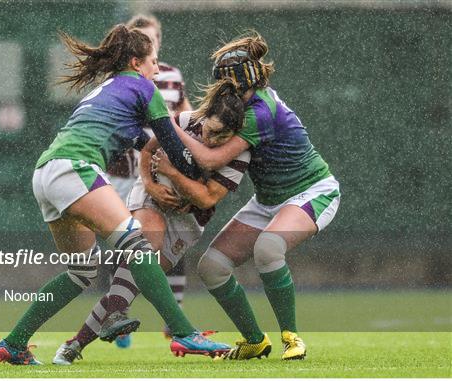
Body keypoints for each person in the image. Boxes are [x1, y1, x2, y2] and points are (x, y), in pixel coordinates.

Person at [0, 24, 230, 366]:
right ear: (136, 63)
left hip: (46, 172)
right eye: (153, 61)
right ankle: (183, 332)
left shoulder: (110, 88)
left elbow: (138, 141)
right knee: (137, 245)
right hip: (74, 169)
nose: (158, 69)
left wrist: (157, 159)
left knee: (81, 272)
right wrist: (208, 170)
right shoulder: (144, 88)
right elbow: (174, 148)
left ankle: (14, 344)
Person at [52, 79, 250, 365]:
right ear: (205, 117)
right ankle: (184, 332)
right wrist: (151, 183)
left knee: (131, 283)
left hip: (188, 219)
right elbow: (147, 150)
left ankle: (72, 346)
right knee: (146, 248)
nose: (213, 141)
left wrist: (173, 172)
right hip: (150, 199)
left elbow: (207, 200)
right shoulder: (183, 120)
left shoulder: (238, 153)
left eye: (223, 137)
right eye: (212, 131)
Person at [174, 32, 341, 360]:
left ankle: (292, 338)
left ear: (232, 82)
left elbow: (210, 159)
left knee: (269, 247)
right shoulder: (246, 102)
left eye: (222, 83)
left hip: (312, 192)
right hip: (269, 201)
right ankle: (254, 340)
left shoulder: (258, 112)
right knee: (212, 267)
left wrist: (169, 130)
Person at [102, 15, 193, 349]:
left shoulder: (169, 76)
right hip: (123, 173)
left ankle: (175, 320)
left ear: (159, 41)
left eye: (151, 39)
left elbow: (184, 115)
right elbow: (135, 133)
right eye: (140, 39)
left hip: (160, 167)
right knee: (125, 246)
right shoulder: (123, 78)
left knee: (172, 241)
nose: (146, 44)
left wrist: (189, 157)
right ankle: (119, 317)